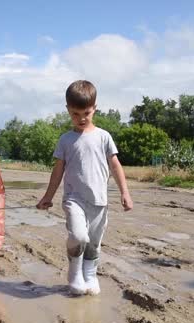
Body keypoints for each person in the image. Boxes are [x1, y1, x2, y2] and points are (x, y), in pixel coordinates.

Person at [36, 80, 133, 295]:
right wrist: (48, 197)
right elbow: (57, 172)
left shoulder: (104, 137)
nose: (81, 119)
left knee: (93, 244)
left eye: (86, 113)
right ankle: (75, 272)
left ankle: (90, 275)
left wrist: (125, 193)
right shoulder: (66, 140)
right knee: (79, 236)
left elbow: (115, 166)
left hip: (99, 202)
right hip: (74, 199)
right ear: (68, 110)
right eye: (75, 114)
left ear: (94, 108)